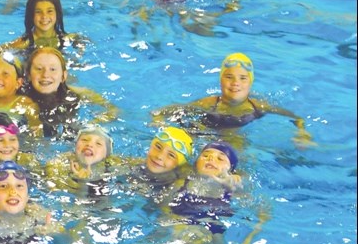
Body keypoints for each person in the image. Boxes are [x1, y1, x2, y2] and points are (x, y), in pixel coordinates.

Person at [151, 52, 314, 149]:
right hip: (204, 133)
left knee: (239, 151)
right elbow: (165, 111)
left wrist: (302, 132)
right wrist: (159, 121)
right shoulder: (209, 104)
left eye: (243, 78)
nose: (235, 83)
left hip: (234, 139)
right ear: (220, 80)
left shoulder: (258, 106)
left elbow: (296, 117)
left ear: (250, 83)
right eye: (229, 77)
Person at [23, 46, 118, 139]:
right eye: (39, 69)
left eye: (53, 69)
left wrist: (91, 125)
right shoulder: (18, 99)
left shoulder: (78, 93)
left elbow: (113, 111)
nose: (46, 75)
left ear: (63, 76)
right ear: (29, 75)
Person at [0, 0, 87, 61]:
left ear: (57, 13)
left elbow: (83, 43)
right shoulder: (24, 43)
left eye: (49, 11)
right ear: (31, 15)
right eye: (38, 12)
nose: (44, 16)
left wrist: (79, 55)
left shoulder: (67, 38)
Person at [46, 125, 125, 198]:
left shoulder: (114, 163)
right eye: (84, 140)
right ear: (75, 146)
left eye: (98, 143)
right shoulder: (58, 165)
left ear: (106, 154)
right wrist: (82, 183)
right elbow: (63, 201)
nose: (89, 144)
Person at [124, 127, 194, 207]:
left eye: (171, 155)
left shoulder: (178, 186)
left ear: (179, 164)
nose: (159, 156)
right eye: (158, 147)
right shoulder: (134, 163)